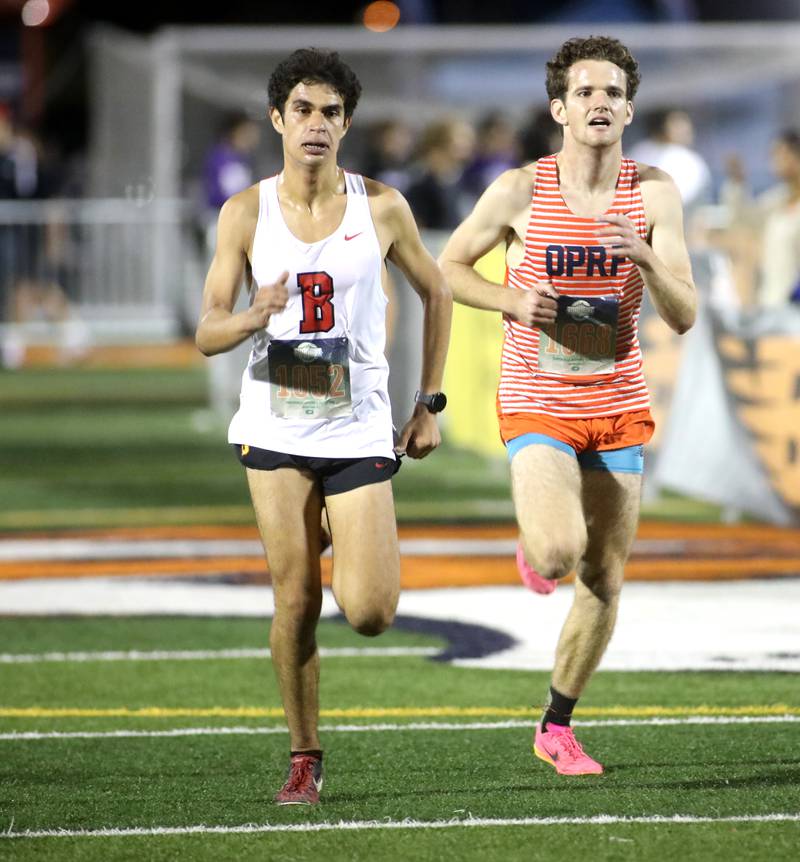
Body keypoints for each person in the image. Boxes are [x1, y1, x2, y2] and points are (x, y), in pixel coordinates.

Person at [195, 48, 451, 805]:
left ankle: (332, 527)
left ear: (347, 122)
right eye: (303, 110)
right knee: (297, 598)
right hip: (275, 426)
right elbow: (207, 331)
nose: (316, 124)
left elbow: (437, 292)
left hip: (358, 424)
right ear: (277, 119)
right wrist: (252, 316)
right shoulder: (245, 212)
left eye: (331, 112)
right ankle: (304, 755)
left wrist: (428, 403)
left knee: (370, 612)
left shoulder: (383, 207)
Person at [438, 36, 695, 776]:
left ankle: (556, 725)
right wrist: (513, 300)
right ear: (560, 109)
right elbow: (449, 267)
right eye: (585, 92)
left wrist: (645, 257)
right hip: (539, 397)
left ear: (630, 110)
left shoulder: (655, 193)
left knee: (604, 578)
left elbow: (683, 314)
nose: (599, 103)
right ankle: (535, 539)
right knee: (558, 553)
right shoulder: (520, 189)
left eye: (612, 93)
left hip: (618, 400)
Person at [720, 130, 800, 308]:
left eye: (780, 155)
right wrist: (736, 181)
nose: (775, 162)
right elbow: (744, 218)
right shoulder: (778, 200)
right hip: (774, 302)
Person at [627, 108, 712, 212]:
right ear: (663, 128)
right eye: (679, 125)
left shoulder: (637, 151)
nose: (687, 130)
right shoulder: (685, 158)